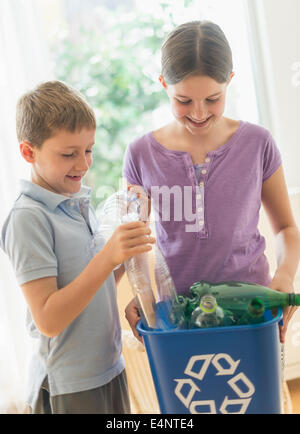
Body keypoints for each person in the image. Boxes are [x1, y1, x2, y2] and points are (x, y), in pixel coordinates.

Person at [122, 21, 300, 344]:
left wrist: (284, 277)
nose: (200, 113)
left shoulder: (258, 143)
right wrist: (142, 296)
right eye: (184, 101)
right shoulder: (140, 155)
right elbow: (133, 247)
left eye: (213, 99)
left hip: (253, 315)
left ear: (230, 81)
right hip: (179, 324)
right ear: (163, 84)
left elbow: (287, 228)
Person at [0, 81, 155, 414]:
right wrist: (108, 256)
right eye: (69, 154)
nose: (84, 164)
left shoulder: (76, 203)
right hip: (69, 387)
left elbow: (89, 286)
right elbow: (49, 319)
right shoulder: (28, 217)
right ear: (29, 152)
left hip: (107, 369)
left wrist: (124, 255)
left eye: (89, 149)